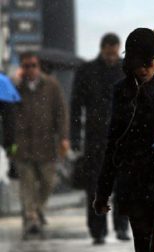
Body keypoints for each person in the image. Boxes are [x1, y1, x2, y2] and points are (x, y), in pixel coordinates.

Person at [92, 28, 154, 252]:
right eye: (138, 64)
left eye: (149, 63)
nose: (144, 70)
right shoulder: (122, 92)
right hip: (135, 183)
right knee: (143, 242)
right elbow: (114, 141)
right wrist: (103, 192)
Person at [70, 33, 129, 245]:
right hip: (95, 139)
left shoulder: (126, 70)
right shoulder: (87, 71)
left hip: (122, 136)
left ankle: (122, 227)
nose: (112, 56)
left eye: (115, 52)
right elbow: (76, 105)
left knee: (122, 185)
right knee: (95, 187)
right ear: (103, 48)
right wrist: (75, 136)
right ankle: (98, 230)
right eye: (109, 51)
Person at [12, 51, 69, 239]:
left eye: (33, 65)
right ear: (22, 67)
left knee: (48, 181)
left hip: (46, 144)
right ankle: (31, 217)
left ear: (38, 66)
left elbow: (61, 112)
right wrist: (14, 81)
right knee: (26, 184)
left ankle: (36, 209)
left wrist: (63, 137)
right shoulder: (16, 87)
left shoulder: (50, 85)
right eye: (26, 66)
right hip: (22, 144)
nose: (30, 70)